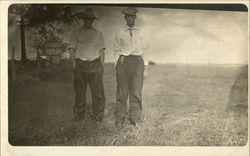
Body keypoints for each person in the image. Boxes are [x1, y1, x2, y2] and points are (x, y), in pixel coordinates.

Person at [68, 8, 105, 122]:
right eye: (87, 19)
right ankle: (79, 117)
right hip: (81, 65)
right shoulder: (76, 32)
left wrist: (102, 66)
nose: (89, 21)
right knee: (80, 93)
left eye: (91, 19)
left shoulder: (98, 34)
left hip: (95, 65)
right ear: (83, 19)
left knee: (98, 94)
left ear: (93, 20)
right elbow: (72, 49)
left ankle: (98, 118)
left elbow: (102, 50)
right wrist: (74, 64)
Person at [114, 7, 148, 127]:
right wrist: (117, 67)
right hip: (124, 61)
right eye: (128, 16)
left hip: (138, 61)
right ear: (125, 18)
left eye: (132, 16)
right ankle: (120, 119)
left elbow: (145, 50)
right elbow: (117, 50)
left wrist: (146, 68)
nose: (130, 18)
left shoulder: (141, 32)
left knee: (136, 91)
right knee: (122, 92)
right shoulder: (120, 32)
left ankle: (135, 119)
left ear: (135, 17)